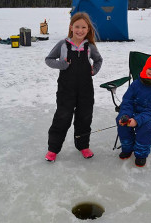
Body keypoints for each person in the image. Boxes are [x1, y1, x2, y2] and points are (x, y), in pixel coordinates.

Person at [44, 12, 103, 162]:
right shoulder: (63, 44)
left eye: (83, 27)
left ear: (88, 29)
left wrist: (94, 70)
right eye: (77, 26)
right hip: (66, 89)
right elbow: (49, 59)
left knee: (84, 117)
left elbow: (98, 60)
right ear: (71, 27)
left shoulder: (89, 47)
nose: (80, 30)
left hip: (85, 89)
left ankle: (83, 146)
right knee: (62, 118)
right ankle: (53, 149)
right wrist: (62, 65)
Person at [116, 51, 151, 167]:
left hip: (147, 115)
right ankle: (127, 147)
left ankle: (141, 154)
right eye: (150, 68)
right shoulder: (136, 84)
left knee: (145, 128)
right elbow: (127, 101)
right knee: (121, 122)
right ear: (145, 68)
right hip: (131, 112)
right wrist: (126, 115)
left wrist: (137, 120)